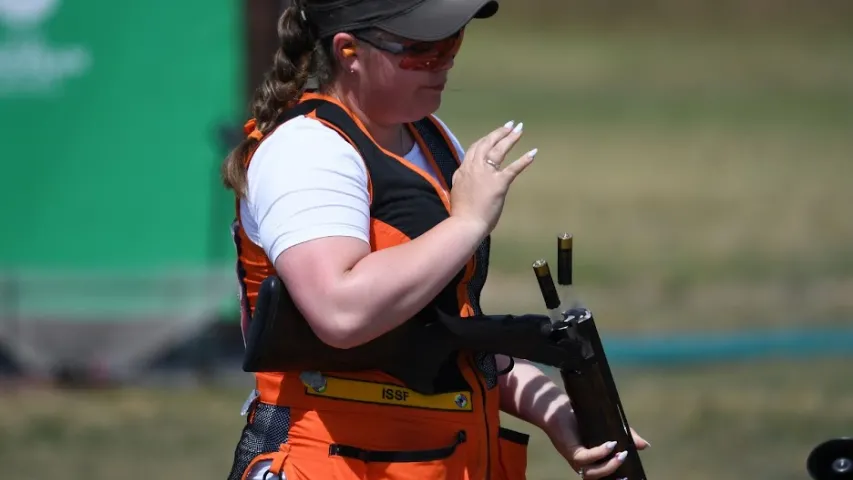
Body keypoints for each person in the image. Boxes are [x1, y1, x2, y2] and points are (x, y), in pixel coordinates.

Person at [221, 0, 649, 479]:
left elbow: (443, 331)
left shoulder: (432, 141)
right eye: (422, 49)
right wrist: (465, 223)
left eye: (452, 42)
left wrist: (556, 414)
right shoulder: (306, 149)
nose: (444, 61)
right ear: (349, 51)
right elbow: (340, 311)